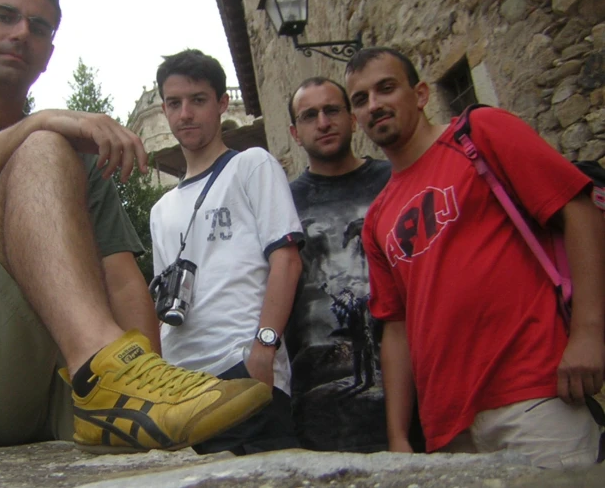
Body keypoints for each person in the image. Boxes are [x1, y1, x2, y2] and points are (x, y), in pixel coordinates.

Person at [0, 0, 271, 453]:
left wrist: (157, 400)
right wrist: (36, 125)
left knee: (48, 149)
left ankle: (121, 393)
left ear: (49, 53)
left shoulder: (70, 157)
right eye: (4, 15)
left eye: (39, 28)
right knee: (43, 146)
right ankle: (102, 371)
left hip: (56, 383)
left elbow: (122, 280)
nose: (21, 33)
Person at [344, 46, 605, 468]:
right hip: (449, 429)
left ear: (422, 94)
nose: (374, 105)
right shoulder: (377, 218)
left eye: (386, 88)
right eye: (360, 99)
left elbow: (577, 209)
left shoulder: (478, 134)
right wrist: (397, 436)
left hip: (532, 394)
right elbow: (396, 327)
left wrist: (589, 333)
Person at [150, 49, 304, 455]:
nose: (185, 113)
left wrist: (264, 349)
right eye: (174, 103)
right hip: (180, 388)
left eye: (198, 100)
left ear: (221, 104)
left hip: (242, 370)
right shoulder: (160, 210)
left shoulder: (251, 165)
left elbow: (286, 259)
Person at [286, 76, 393, 452]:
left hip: (421, 390)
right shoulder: (280, 204)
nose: (323, 122)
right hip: (319, 412)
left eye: (332, 110)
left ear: (351, 117)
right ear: (295, 133)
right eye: (309, 115)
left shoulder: (394, 180)